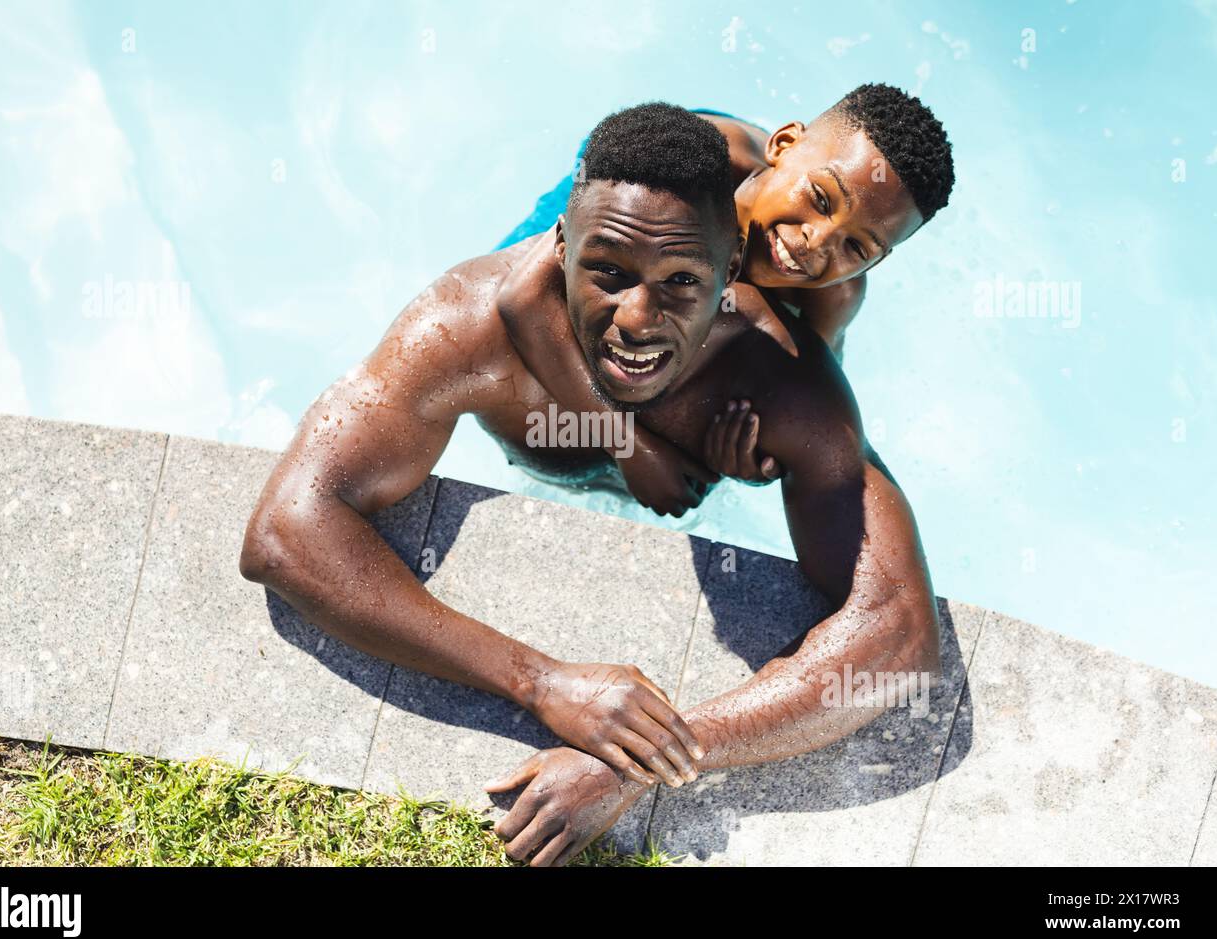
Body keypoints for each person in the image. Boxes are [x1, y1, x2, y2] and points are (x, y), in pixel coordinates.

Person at [239, 103, 941, 867]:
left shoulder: (790, 365)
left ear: (731, 276)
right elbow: (285, 535)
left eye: (680, 282)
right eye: (607, 273)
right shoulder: (479, 315)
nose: (637, 319)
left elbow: (899, 636)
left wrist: (653, 753)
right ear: (566, 252)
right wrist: (542, 682)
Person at [495, 85, 954, 515]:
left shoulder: (835, 298)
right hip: (640, 173)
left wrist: (753, 465)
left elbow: (799, 405)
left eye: (857, 248)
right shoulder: (693, 174)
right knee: (515, 322)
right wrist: (629, 447)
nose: (817, 242)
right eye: (819, 198)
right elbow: (520, 296)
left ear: (876, 262)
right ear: (784, 145)